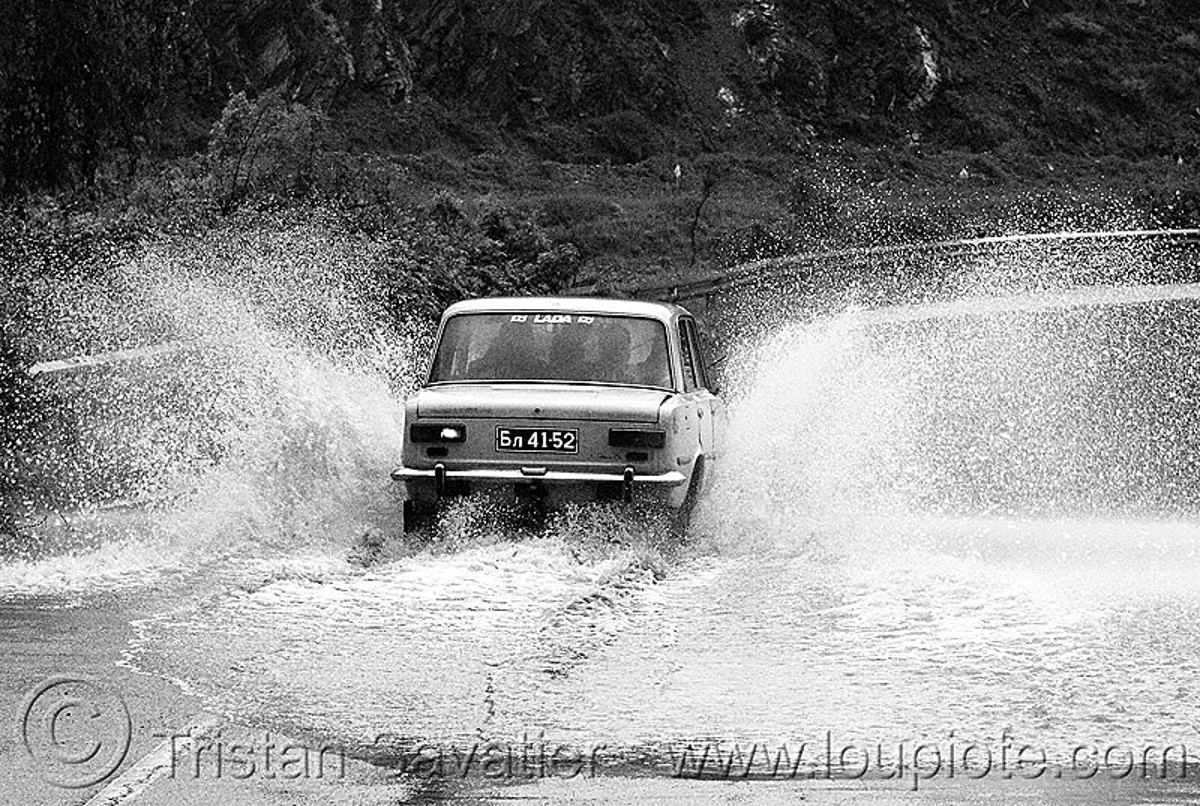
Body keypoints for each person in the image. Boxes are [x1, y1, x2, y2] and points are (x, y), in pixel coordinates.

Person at [470, 320, 544, 380]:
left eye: (520, 340)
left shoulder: (543, 371)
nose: (516, 345)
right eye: (510, 339)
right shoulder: (480, 368)